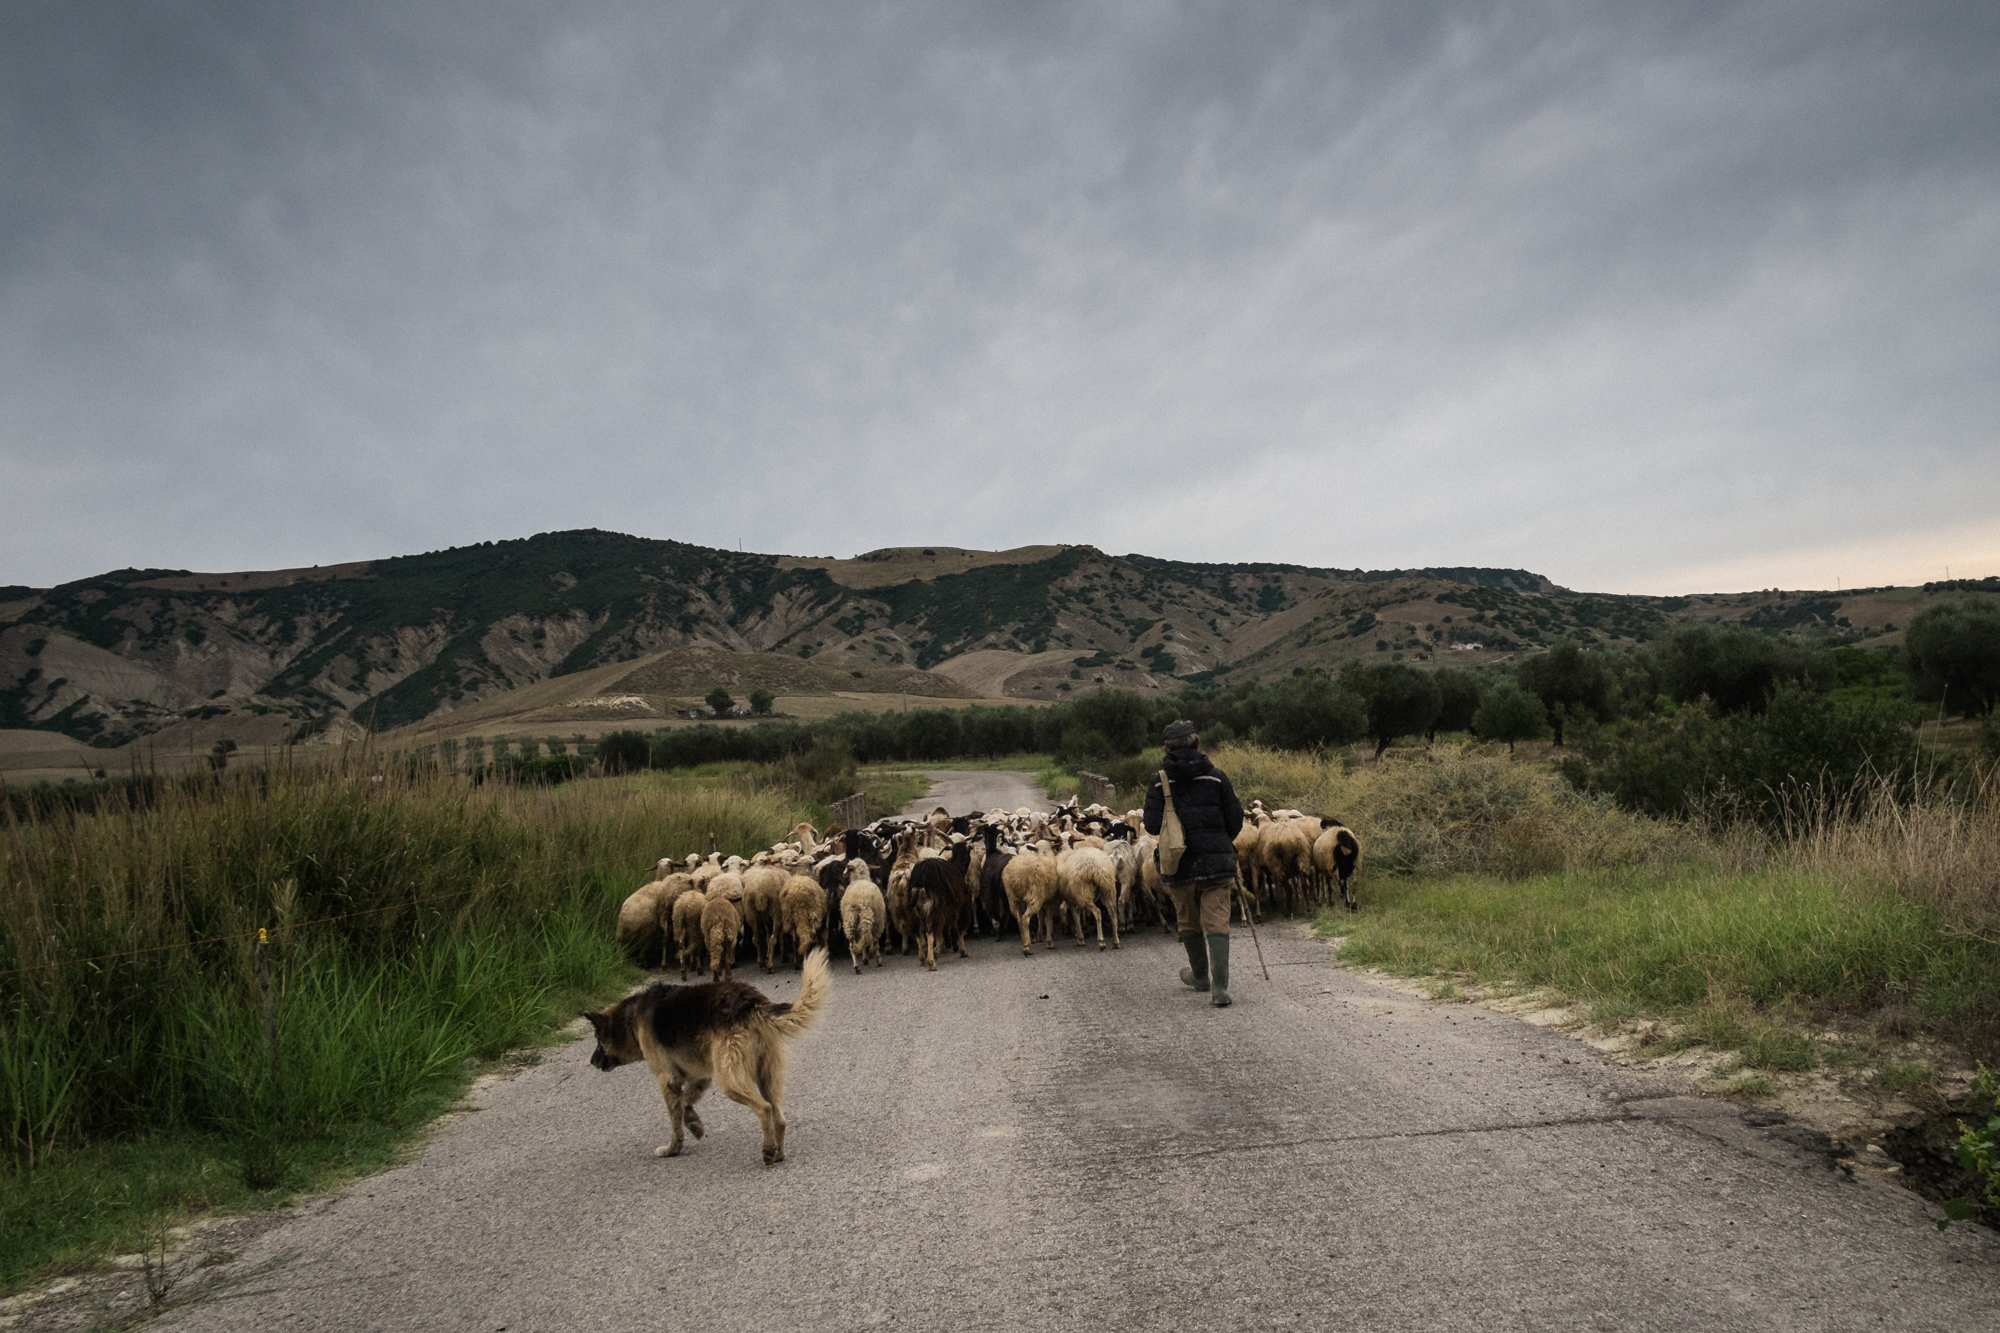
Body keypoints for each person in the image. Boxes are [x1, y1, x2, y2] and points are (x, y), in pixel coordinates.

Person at [1141, 719, 1246, 1007]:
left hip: (1179, 863)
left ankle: (1200, 976)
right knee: (1218, 920)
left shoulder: (1159, 781)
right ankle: (1220, 988)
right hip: (1217, 862)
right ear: (1198, 743)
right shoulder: (1217, 777)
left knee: (1188, 919)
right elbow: (1235, 820)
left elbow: (1151, 825)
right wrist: (1220, 844)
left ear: (1166, 748)